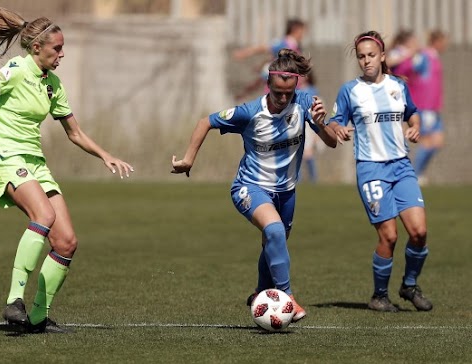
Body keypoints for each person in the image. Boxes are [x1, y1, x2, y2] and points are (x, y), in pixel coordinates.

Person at [0, 0, 134, 333]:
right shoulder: (17, 68)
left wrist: (105, 154)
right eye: (58, 48)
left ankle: (38, 317)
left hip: (35, 162)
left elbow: (75, 132)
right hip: (5, 155)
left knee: (66, 241)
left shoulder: (53, 84)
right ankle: (14, 301)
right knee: (44, 217)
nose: (62, 54)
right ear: (37, 47)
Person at [172, 49, 338, 323]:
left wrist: (321, 124)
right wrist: (188, 159)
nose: (283, 99)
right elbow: (206, 122)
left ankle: (261, 292)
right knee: (274, 231)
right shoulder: (249, 112)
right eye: (277, 93)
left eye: (288, 92)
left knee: (274, 242)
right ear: (268, 86)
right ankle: (288, 298)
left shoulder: (306, 103)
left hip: (286, 192)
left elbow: (331, 142)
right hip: (249, 187)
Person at [326, 31, 432, 312]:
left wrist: (415, 126)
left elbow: (412, 111)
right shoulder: (350, 90)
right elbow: (334, 122)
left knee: (419, 232)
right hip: (371, 169)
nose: (366, 61)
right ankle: (379, 296)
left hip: (401, 166)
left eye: (371, 55)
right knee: (390, 236)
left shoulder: (397, 85)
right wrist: (339, 129)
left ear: (382, 56)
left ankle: (409, 285)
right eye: (361, 56)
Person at [394, 31, 448, 184]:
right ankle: (415, 174)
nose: (445, 45)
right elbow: (407, 71)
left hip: (434, 107)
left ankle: (418, 173)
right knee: (426, 141)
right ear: (435, 41)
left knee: (438, 141)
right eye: (443, 41)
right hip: (425, 106)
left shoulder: (434, 57)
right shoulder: (424, 56)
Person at [233, 19, 307, 100]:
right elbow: (263, 48)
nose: (303, 34)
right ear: (295, 29)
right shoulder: (285, 43)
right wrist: (243, 53)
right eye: (302, 30)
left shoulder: (296, 46)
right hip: (279, 93)